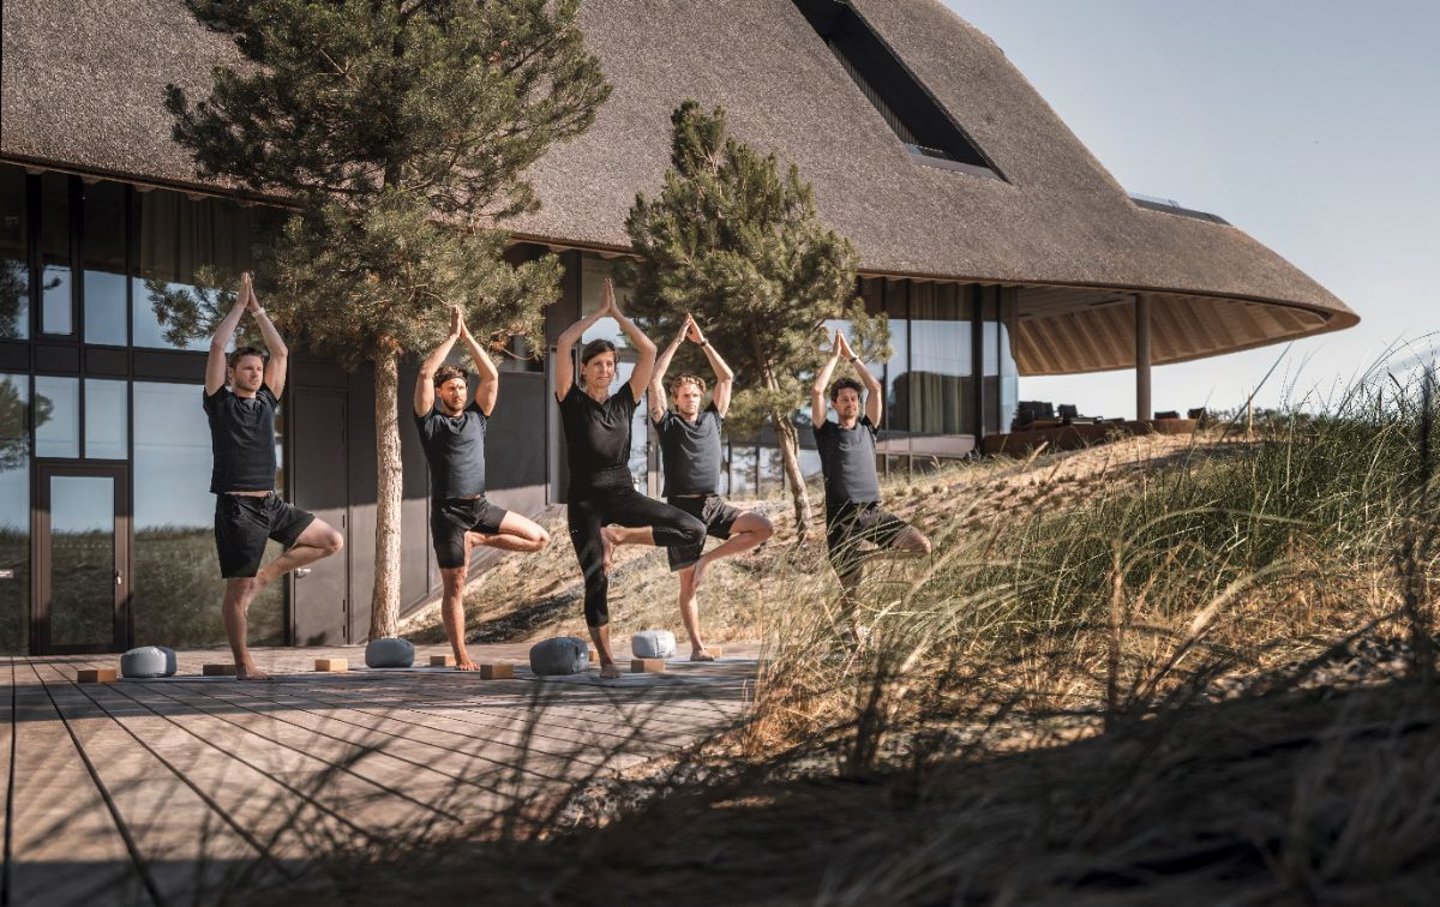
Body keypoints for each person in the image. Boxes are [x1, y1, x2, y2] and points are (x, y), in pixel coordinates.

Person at [555, 279, 706, 679]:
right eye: (598, 364)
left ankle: (619, 536)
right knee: (595, 579)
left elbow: (650, 352)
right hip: (585, 500)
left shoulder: (626, 400)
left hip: (623, 494)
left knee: (692, 528)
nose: (605, 369)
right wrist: (598, 314)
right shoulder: (570, 399)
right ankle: (606, 658)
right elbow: (564, 341)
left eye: (610, 364)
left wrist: (618, 315)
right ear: (584, 369)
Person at [205, 272, 344, 680]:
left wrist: (259, 309)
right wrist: (237, 307)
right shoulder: (218, 403)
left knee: (330, 540)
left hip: (271, 502)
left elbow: (280, 352)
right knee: (236, 591)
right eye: (247, 368)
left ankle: (265, 577)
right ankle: (244, 664)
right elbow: (216, 345)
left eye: (258, 368)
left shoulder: (267, 400)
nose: (255, 372)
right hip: (236, 507)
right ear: (232, 373)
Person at [415, 305, 551, 671]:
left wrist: (468, 336)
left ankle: (479, 538)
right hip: (448, 514)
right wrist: (450, 338)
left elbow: (491, 376)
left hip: (480, 507)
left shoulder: (478, 417)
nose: (458, 392)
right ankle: (462, 655)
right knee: (455, 587)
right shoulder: (430, 424)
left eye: (461, 386)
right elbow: (426, 372)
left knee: (540, 539)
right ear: (441, 394)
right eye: (451, 388)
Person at [649, 314, 773, 660]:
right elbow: (655, 379)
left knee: (763, 527)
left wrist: (702, 342)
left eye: (694, 394)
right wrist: (675, 341)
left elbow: (727, 376)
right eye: (685, 395)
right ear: (675, 400)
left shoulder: (712, 418)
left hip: (714, 505)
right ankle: (698, 648)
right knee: (687, 585)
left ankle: (708, 561)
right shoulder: (667, 422)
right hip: (679, 509)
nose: (690, 399)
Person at [810, 330, 931, 610]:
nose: (851, 403)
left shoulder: (868, 429)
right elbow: (816, 390)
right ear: (835, 405)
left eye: (854, 399)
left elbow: (875, 388)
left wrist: (851, 356)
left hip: (872, 513)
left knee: (921, 546)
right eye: (844, 399)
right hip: (841, 519)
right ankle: (852, 640)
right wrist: (833, 358)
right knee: (850, 591)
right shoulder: (825, 432)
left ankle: (867, 557)